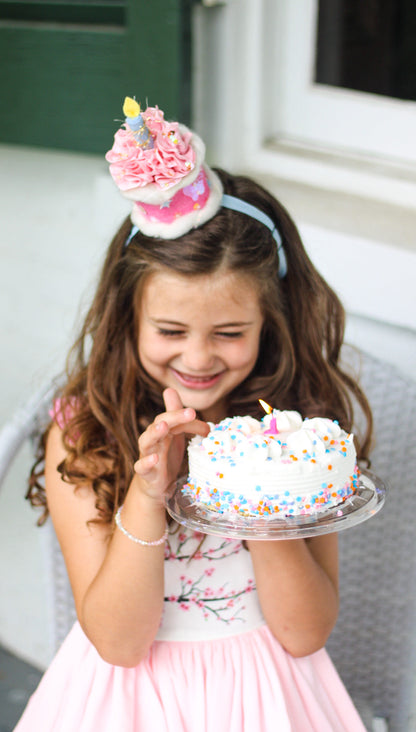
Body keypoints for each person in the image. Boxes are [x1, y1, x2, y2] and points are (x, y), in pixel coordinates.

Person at [16, 98, 372, 731]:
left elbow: (304, 632)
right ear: (128, 320)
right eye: (171, 330)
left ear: (272, 322)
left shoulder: (300, 428)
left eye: (231, 331)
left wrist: (256, 487)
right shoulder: (84, 429)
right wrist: (150, 493)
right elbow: (121, 644)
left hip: (267, 696)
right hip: (125, 701)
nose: (199, 358)